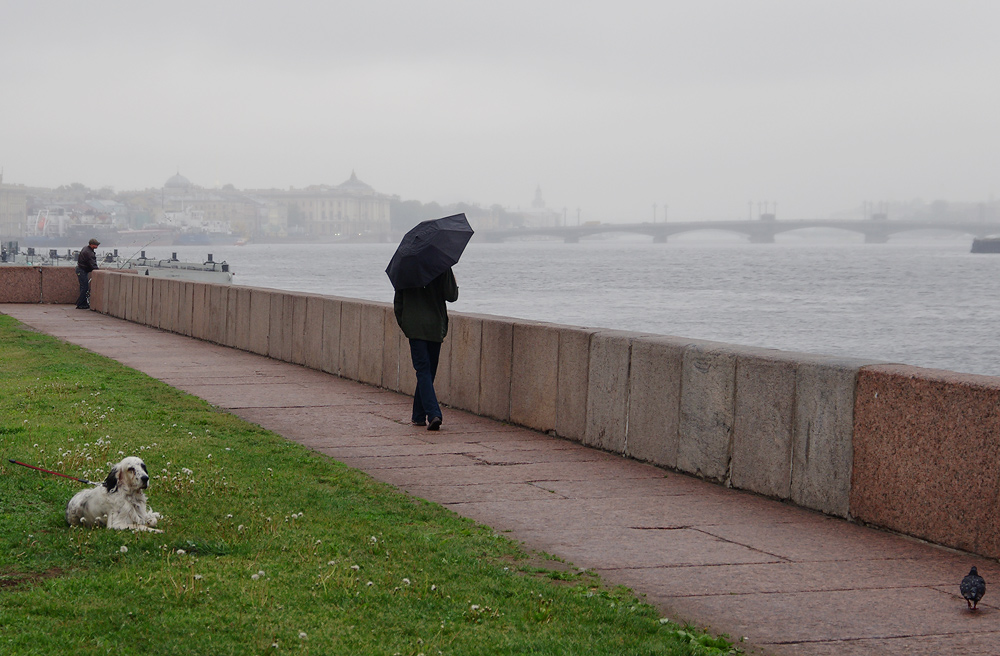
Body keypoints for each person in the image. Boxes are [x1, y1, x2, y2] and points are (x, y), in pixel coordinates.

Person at [393, 268, 459, 431]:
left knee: (424, 371)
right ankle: (433, 413)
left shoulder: (405, 268)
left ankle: (419, 415)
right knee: (426, 371)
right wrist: (452, 279)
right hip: (435, 327)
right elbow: (452, 296)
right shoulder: (441, 266)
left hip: (415, 328)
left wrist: (406, 325)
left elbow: (398, 304)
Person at [75, 238, 100, 309]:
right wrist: (97, 271)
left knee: (83, 287)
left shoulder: (86, 249)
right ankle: (81, 304)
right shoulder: (89, 252)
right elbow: (92, 264)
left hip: (81, 270)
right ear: (91, 245)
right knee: (84, 287)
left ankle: (82, 302)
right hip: (82, 271)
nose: (97, 246)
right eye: (96, 245)